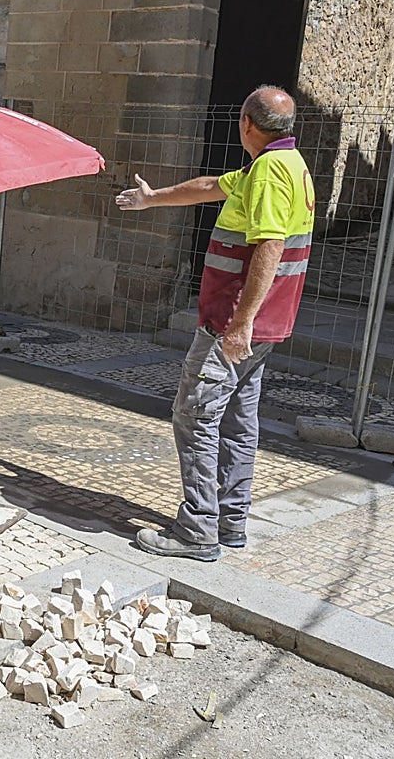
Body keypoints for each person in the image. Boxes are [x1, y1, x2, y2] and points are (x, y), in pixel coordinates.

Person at [114, 85, 314, 562]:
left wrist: (240, 321)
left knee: (196, 414)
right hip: (267, 323)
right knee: (241, 421)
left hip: (232, 323)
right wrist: (152, 198)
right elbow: (211, 186)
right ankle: (230, 520)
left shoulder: (268, 173)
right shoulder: (287, 165)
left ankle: (198, 528)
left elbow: (269, 247)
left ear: (246, 124)